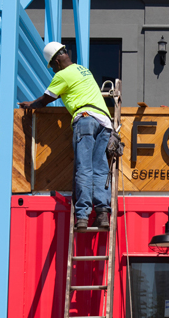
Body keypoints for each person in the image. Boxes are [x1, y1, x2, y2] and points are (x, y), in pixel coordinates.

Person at [19, 42, 112, 230]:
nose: (53, 70)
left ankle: (83, 216)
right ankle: (102, 213)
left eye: (52, 66)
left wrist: (30, 105)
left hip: (85, 119)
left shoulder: (62, 75)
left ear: (57, 60)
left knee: (84, 168)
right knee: (100, 169)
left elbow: (44, 100)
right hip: (105, 123)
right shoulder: (82, 70)